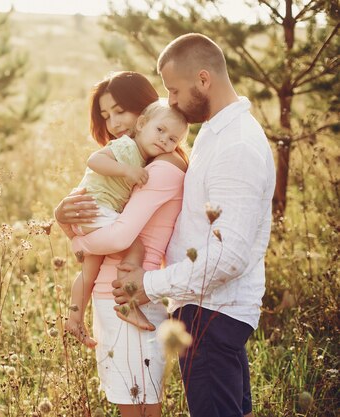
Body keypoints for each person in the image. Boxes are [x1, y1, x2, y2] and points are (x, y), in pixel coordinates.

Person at [111, 33, 275, 417]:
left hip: (213, 315)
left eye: (174, 90)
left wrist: (147, 285)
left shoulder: (237, 145)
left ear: (204, 80)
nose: (169, 101)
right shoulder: (215, 134)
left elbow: (228, 257)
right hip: (210, 310)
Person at [55, 71, 188, 417]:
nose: (113, 124)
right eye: (105, 116)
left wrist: (77, 236)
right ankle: (73, 313)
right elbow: (95, 197)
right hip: (118, 295)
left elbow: (119, 235)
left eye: (119, 112)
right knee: (137, 406)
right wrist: (64, 218)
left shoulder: (159, 165)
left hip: (126, 293)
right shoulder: (133, 157)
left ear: (144, 111)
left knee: (141, 406)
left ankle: (74, 313)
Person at [65, 101, 189, 346]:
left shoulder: (150, 160)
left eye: (173, 139)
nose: (165, 140)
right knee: (136, 247)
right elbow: (94, 160)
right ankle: (128, 300)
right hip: (95, 208)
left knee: (87, 274)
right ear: (141, 124)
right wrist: (126, 171)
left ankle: (74, 318)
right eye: (160, 130)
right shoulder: (127, 147)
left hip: (93, 215)